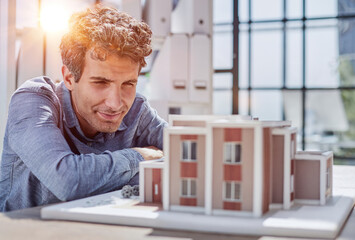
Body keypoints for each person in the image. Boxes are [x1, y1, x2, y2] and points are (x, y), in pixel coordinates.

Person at [0, 5, 167, 212]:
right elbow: (67, 181)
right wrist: (139, 156)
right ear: (69, 78)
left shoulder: (137, 110)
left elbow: (190, 153)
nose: (115, 103)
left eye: (128, 84)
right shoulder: (33, 100)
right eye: (100, 83)